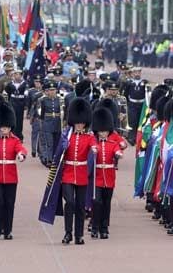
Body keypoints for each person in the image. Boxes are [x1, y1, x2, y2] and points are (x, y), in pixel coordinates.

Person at [0, 103, 27, 240]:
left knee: (9, 204)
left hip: (10, 176)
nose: (5, 129)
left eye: (7, 127)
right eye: (3, 127)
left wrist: (21, 155)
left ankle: (7, 230)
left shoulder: (14, 140)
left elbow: (20, 148)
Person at [59, 99, 96, 245]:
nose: (79, 125)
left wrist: (94, 149)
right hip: (68, 173)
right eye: (77, 122)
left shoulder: (89, 137)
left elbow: (94, 144)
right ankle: (68, 233)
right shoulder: (67, 135)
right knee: (70, 202)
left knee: (80, 206)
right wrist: (63, 146)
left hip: (81, 173)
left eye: (82, 123)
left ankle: (79, 235)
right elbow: (59, 151)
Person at [90, 107, 125, 240]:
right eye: (101, 131)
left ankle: (104, 228)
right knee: (96, 202)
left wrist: (118, 154)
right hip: (98, 177)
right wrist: (92, 151)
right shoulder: (94, 142)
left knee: (106, 203)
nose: (103, 133)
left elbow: (117, 150)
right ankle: (94, 227)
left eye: (105, 131)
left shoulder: (112, 143)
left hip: (109, 177)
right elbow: (91, 149)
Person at [39, 80, 62, 168]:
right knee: (49, 143)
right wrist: (42, 123)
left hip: (57, 123)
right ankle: (49, 160)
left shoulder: (60, 100)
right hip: (48, 123)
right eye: (50, 90)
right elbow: (42, 114)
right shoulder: (44, 100)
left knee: (57, 142)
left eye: (53, 90)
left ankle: (56, 159)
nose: (52, 92)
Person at [4, 69, 28, 140]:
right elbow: (7, 93)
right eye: (15, 74)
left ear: (21, 75)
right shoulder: (10, 84)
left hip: (20, 103)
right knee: (12, 118)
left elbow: (26, 95)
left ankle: (19, 135)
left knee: (19, 119)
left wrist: (25, 104)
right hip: (12, 102)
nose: (17, 76)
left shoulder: (25, 84)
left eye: (18, 74)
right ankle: (12, 133)